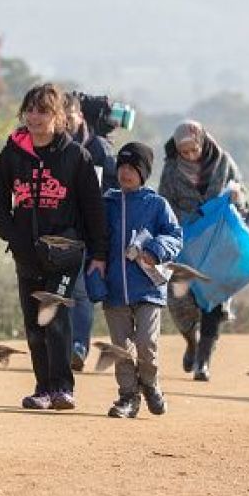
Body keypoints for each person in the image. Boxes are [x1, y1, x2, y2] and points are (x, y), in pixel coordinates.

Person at [0, 83, 108, 411]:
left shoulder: (75, 157)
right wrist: (13, 236)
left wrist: (98, 253)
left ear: (58, 117)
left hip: (65, 253)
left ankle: (63, 388)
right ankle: (42, 388)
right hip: (26, 252)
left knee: (54, 318)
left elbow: (93, 209)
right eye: (30, 110)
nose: (34, 117)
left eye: (43, 111)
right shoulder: (12, 153)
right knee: (33, 324)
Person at [86, 142, 182, 418]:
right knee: (120, 348)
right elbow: (95, 237)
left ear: (144, 173)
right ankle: (128, 397)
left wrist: (155, 250)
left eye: (132, 168)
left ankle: (151, 384)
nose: (126, 173)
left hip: (148, 290)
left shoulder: (157, 204)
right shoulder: (107, 203)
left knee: (146, 344)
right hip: (114, 289)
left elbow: (175, 236)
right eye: (122, 167)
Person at [157, 120, 244, 381]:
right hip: (186, 244)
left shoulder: (223, 162)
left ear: (203, 143)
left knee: (213, 301)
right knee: (180, 301)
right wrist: (187, 219)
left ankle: (203, 361)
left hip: (218, 242)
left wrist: (237, 196)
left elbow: (240, 189)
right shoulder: (171, 170)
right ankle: (191, 343)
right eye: (184, 152)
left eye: (194, 150)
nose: (190, 156)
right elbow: (164, 203)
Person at [63, 92, 119, 371]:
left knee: (81, 292)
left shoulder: (100, 149)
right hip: (57, 230)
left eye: (69, 116)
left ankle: (78, 347)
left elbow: (115, 189)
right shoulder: (50, 145)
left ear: (80, 116)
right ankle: (64, 345)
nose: (65, 122)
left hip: (90, 230)